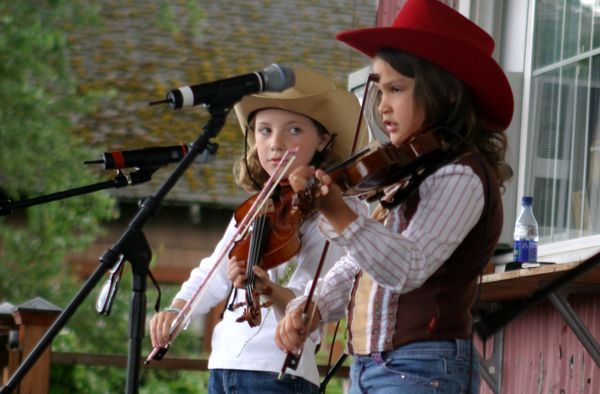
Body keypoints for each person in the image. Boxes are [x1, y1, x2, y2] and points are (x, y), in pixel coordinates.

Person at [275, 0, 514, 393]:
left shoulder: (460, 175)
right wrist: (316, 304)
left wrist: (338, 213)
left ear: (446, 94)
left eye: (397, 89)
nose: (382, 106)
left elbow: (409, 266)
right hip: (372, 367)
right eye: (380, 90)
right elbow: (362, 265)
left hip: (422, 366)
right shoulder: (410, 174)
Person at [149, 67, 367, 394]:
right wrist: (177, 309)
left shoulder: (329, 209)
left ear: (323, 139)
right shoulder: (255, 207)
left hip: (278, 370)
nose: (276, 144)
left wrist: (269, 290)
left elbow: (314, 300)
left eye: (293, 130)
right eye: (264, 131)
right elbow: (215, 270)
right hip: (224, 364)